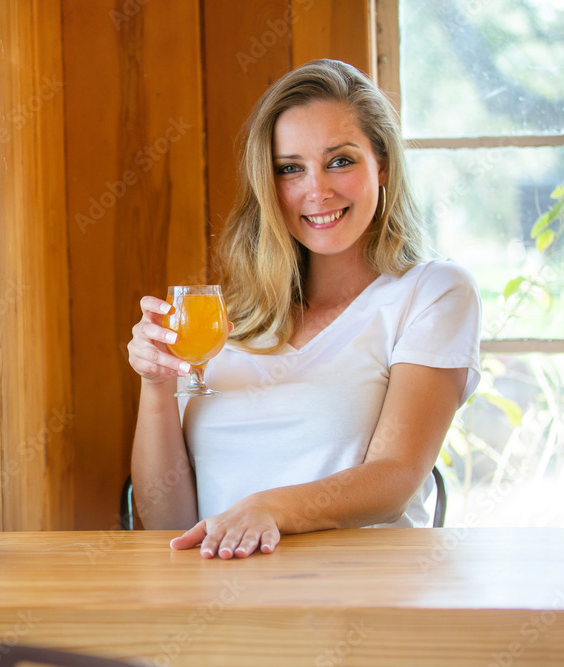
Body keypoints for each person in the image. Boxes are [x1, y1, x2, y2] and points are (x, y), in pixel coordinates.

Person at [127, 59, 481, 559]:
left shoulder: (432, 293)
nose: (318, 189)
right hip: (219, 612)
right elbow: (167, 522)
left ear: (381, 163)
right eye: (290, 168)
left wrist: (269, 508)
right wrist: (156, 383)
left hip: (360, 607)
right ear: (268, 186)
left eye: (340, 161)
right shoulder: (223, 321)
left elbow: (396, 476)